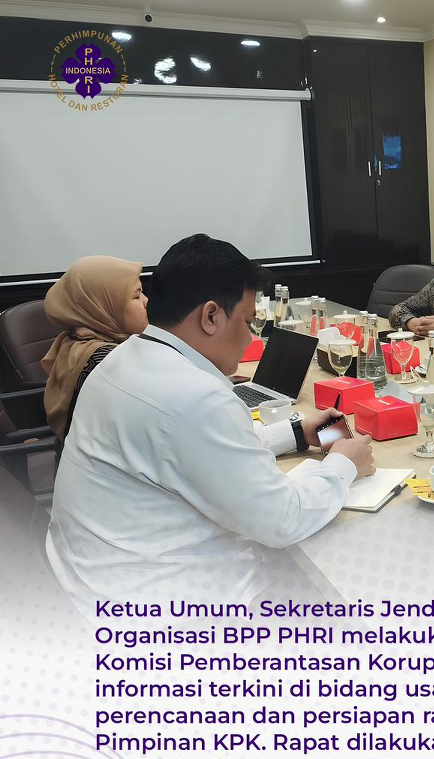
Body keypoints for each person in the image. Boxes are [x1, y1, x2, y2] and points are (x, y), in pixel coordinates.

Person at [46, 233, 376, 608]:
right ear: (211, 316)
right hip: (165, 612)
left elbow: (194, 450)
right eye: (247, 322)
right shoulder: (195, 398)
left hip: (90, 583)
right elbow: (283, 521)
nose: (249, 338)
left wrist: (296, 433)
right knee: (346, 581)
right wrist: (343, 464)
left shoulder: (124, 358)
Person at [41, 256, 148, 439]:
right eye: (136, 296)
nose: (146, 301)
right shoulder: (108, 360)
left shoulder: (79, 342)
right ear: (102, 306)